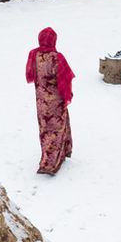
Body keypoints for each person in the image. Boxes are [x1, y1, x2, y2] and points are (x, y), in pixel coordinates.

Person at [24, 27, 75, 175]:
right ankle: (51, 164)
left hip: (41, 101)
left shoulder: (34, 55)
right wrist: (66, 96)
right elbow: (65, 80)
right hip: (56, 101)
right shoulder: (57, 57)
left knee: (45, 130)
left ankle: (61, 152)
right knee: (56, 129)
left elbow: (31, 75)